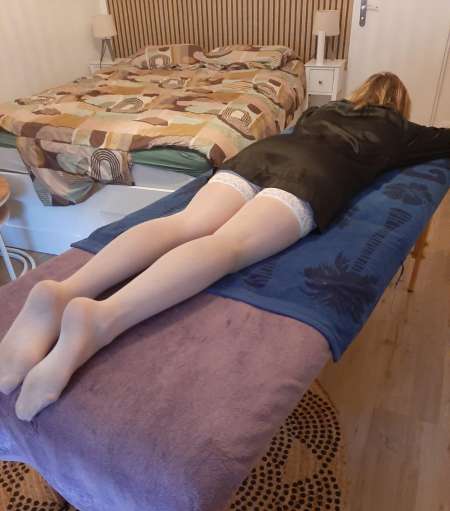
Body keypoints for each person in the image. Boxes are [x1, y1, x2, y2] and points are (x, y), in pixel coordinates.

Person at [0, 72, 449, 422]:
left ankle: (65, 290)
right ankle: (103, 319)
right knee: (227, 246)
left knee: (184, 223)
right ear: (399, 105)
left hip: (259, 156)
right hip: (314, 176)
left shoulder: (323, 110)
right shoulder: (401, 130)